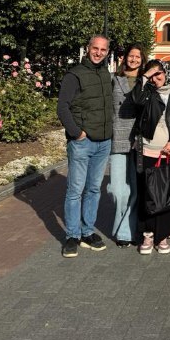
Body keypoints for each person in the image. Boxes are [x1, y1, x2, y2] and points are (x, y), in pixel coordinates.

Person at [57, 35, 113, 258]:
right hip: (83, 142)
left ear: (107, 52)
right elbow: (62, 107)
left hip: (103, 142)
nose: (98, 53)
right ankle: (72, 235)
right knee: (75, 190)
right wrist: (77, 133)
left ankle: (87, 232)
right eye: (95, 48)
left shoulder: (105, 73)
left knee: (93, 189)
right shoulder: (75, 75)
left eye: (103, 49)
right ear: (88, 49)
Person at [133, 59, 170, 254]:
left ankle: (163, 236)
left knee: (167, 195)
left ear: (166, 73)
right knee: (148, 193)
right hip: (148, 150)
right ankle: (148, 234)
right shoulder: (147, 91)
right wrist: (144, 78)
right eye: (151, 75)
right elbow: (135, 100)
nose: (155, 78)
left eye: (158, 74)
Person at [108, 43, 146, 247]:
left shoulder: (146, 81)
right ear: (125, 58)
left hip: (140, 139)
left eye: (138, 57)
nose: (134, 59)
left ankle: (125, 232)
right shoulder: (114, 79)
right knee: (117, 189)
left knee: (135, 189)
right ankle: (126, 228)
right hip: (118, 138)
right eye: (131, 56)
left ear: (143, 59)